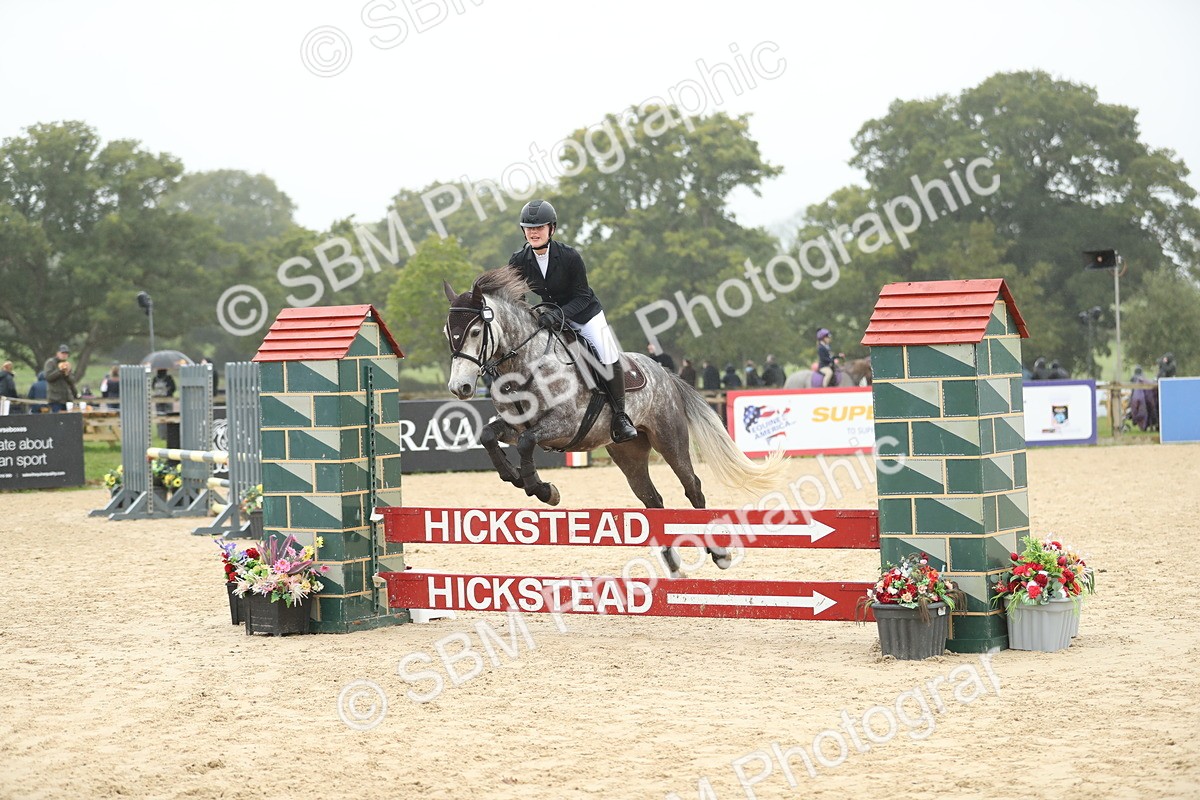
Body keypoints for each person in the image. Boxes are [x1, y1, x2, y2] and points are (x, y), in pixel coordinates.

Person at [507, 199, 637, 443]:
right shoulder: (518, 260)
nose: (534, 232)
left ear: (552, 229)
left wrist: (557, 314)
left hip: (585, 314)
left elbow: (581, 296)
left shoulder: (569, 257)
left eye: (540, 227)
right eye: (529, 228)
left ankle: (620, 416)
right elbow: (517, 297)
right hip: (550, 314)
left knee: (608, 355)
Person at [43, 344, 78, 412]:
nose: (64, 355)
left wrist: (67, 374)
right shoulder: (50, 363)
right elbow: (48, 377)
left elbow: (72, 381)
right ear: (57, 353)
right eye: (62, 353)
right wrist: (59, 371)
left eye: (66, 353)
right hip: (55, 398)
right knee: (57, 419)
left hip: (67, 399)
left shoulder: (68, 364)